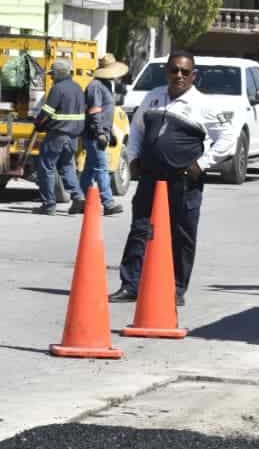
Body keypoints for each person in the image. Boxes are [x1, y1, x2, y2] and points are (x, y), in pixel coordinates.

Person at [109, 50, 232, 307]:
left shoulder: (204, 104)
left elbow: (227, 139)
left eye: (185, 72)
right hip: (151, 178)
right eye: (174, 70)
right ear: (167, 71)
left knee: (182, 234)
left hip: (184, 182)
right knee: (141, 230)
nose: (179, 76)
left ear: (193, 75)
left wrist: (202, 164)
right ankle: (131, 284)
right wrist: (133, 159)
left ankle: (176, 288)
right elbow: (137, 129)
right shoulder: (153, 98)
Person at [72, 53, 129, 217]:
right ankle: (108, 203)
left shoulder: (104, 85)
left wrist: (109, 132)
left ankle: (80, 200)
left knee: (90, 169)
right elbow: (95, 112)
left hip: (100, 133)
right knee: (102, 168)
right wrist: (99, 132)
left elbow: (105, 113)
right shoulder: (96, 86)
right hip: (94, 134)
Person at [31, 59, 85, 215]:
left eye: (52, 74)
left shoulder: (58, 89)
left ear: (58, 74)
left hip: (58, 134)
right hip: (73, 136)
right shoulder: (77, 88)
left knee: (46, 166)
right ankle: (78, 197)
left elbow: (47, 112)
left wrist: (38, 124)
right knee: (67, 166)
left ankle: (48, 204)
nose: (51, 77)